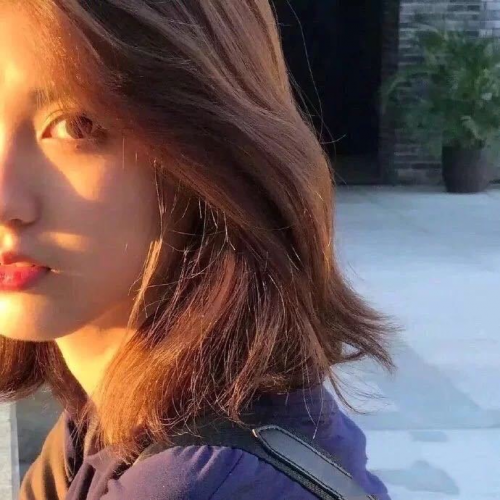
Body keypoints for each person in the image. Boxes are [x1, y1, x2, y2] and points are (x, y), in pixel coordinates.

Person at [0, 1, 395, 499]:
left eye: (77, 125)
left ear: (209, 154)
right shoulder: (111, 415)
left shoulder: (202, 482)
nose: (5, 200)